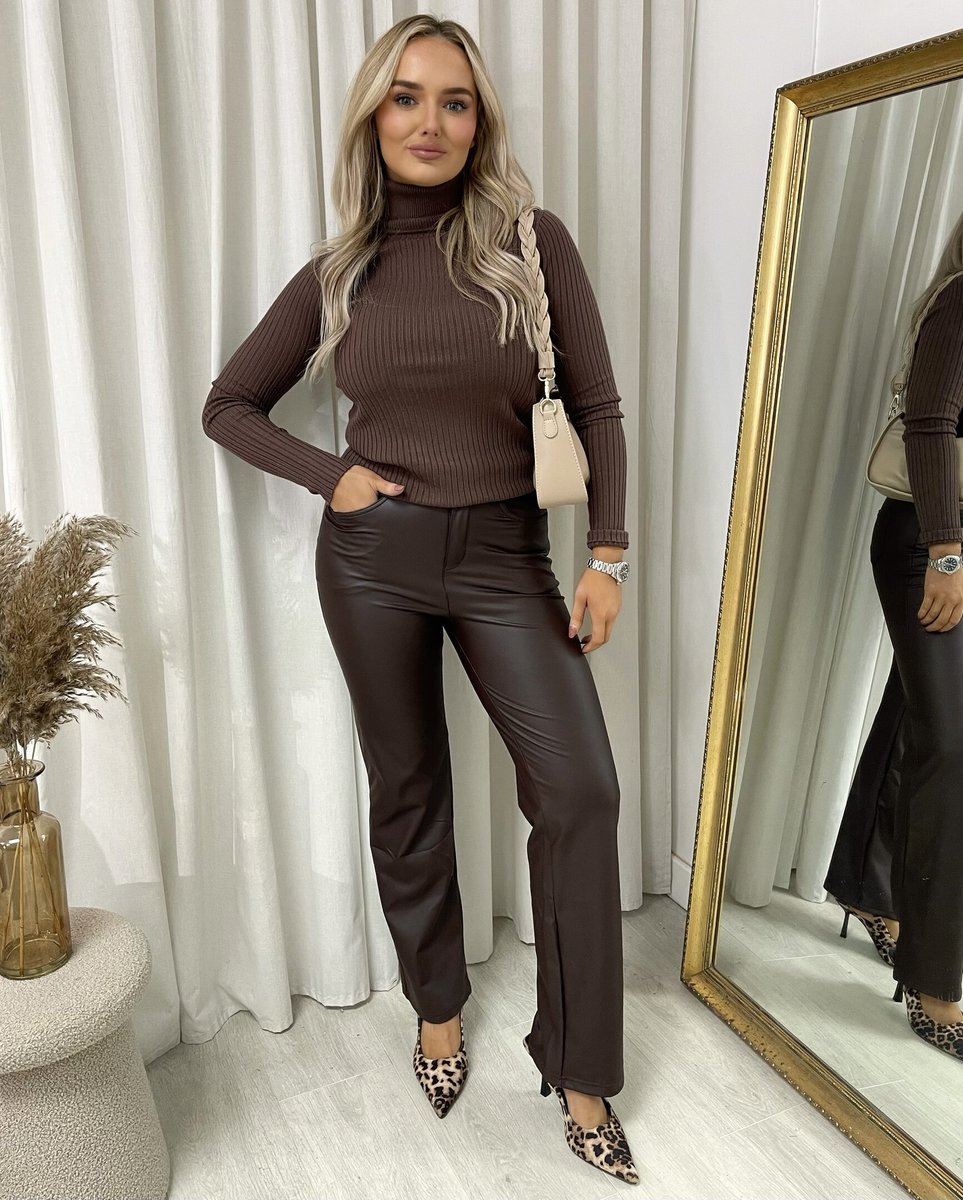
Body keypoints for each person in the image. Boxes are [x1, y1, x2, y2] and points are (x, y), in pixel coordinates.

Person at [201, 14, 639, 1184]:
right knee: (408, 790)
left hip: (505, 556)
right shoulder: (339, 273)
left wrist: (607, 555)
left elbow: (598, 405)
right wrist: (332, 477)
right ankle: (436, 1010)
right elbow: (229, 404)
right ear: (373, 117)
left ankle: (582, 1068)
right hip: (374, 559)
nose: (430, 122)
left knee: (582, 792)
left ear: (479, 122)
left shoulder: (532, 244)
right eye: (406, 98)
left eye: (454, 101)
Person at [825, 210, 963, 1061]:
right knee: (953, 746)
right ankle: (934, 977)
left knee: (919, 718)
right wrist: (946, 551)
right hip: (930, 546)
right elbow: (929, 424)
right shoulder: (960, 298)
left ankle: (868, 886)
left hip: (948, 550)